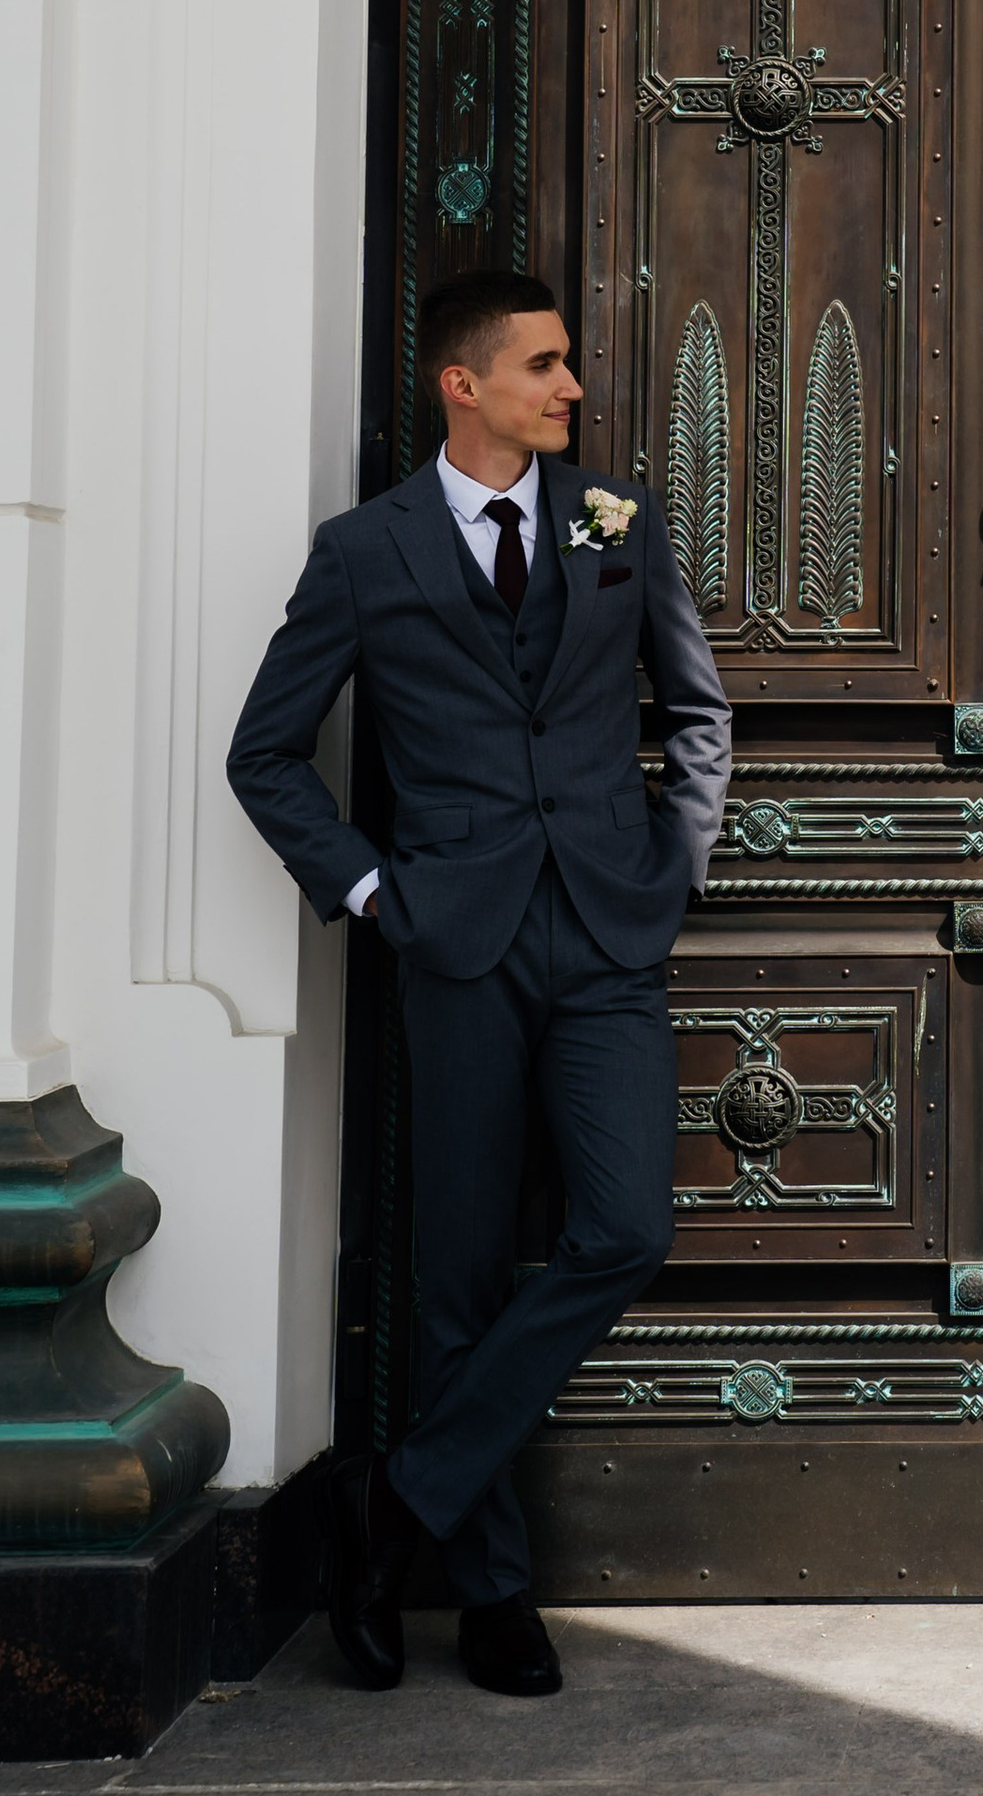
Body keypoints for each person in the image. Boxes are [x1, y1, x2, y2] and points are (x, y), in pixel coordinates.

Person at [226, 271, 729, 1696]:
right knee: (451, 1271)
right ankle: (494, 1589)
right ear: (466, 384)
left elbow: (696, 710)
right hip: (452, 937)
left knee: (624, 1225)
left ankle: (397, 1500)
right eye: (545, 365)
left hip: (608, 935)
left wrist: (670, 865)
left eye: (567, 366)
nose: (572, 387)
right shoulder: (365, 550)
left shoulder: (619, 521)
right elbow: (264, 752)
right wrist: (374, 886)